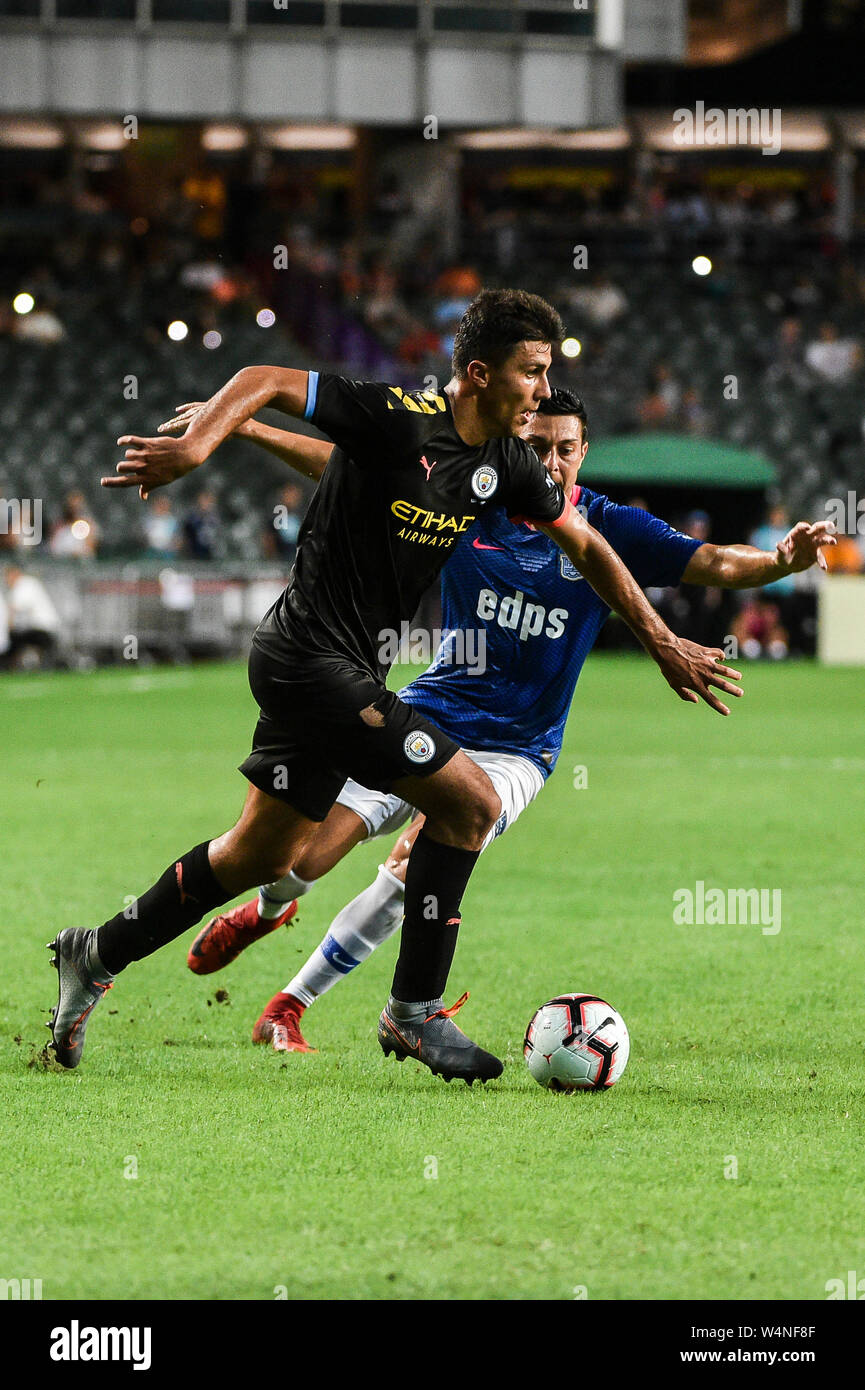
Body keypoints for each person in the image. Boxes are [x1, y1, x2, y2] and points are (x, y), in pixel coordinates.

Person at [49, 288, 740, 1084]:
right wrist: (203, 442)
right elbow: (266, 375)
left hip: (344, 670)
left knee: (252, 856)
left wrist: (659, 640)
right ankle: (411, 1014)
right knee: (470, 802)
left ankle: (92, 954)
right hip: (306, 656)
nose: (542, 392)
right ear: (478, 374)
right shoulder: (398, 418)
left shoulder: (508, 463)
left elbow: (583, 543)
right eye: (532, 372)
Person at [176, 390, 833, 1053]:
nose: (550, 462)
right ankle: (270, 907)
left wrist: (780, 562)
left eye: (564, 449)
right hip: (430, 710)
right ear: (516, 448)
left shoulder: (608, 527)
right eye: (536, 447)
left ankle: (288, 1006)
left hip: (515, 751)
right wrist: (249, 426)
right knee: (304, 854)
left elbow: (713, 561)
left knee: (414, 868)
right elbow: (347, 471)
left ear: (583, 453)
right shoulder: (476, 498)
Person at [3, 564, 60, 669]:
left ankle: (9, 666)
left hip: (41, 627)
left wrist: (8, 628)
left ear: (15, 574)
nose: (6, 580)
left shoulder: (24, 584)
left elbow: (15, 608)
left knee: (13, 639)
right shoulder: (29, 583)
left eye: (7, 577)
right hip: (41, 626)